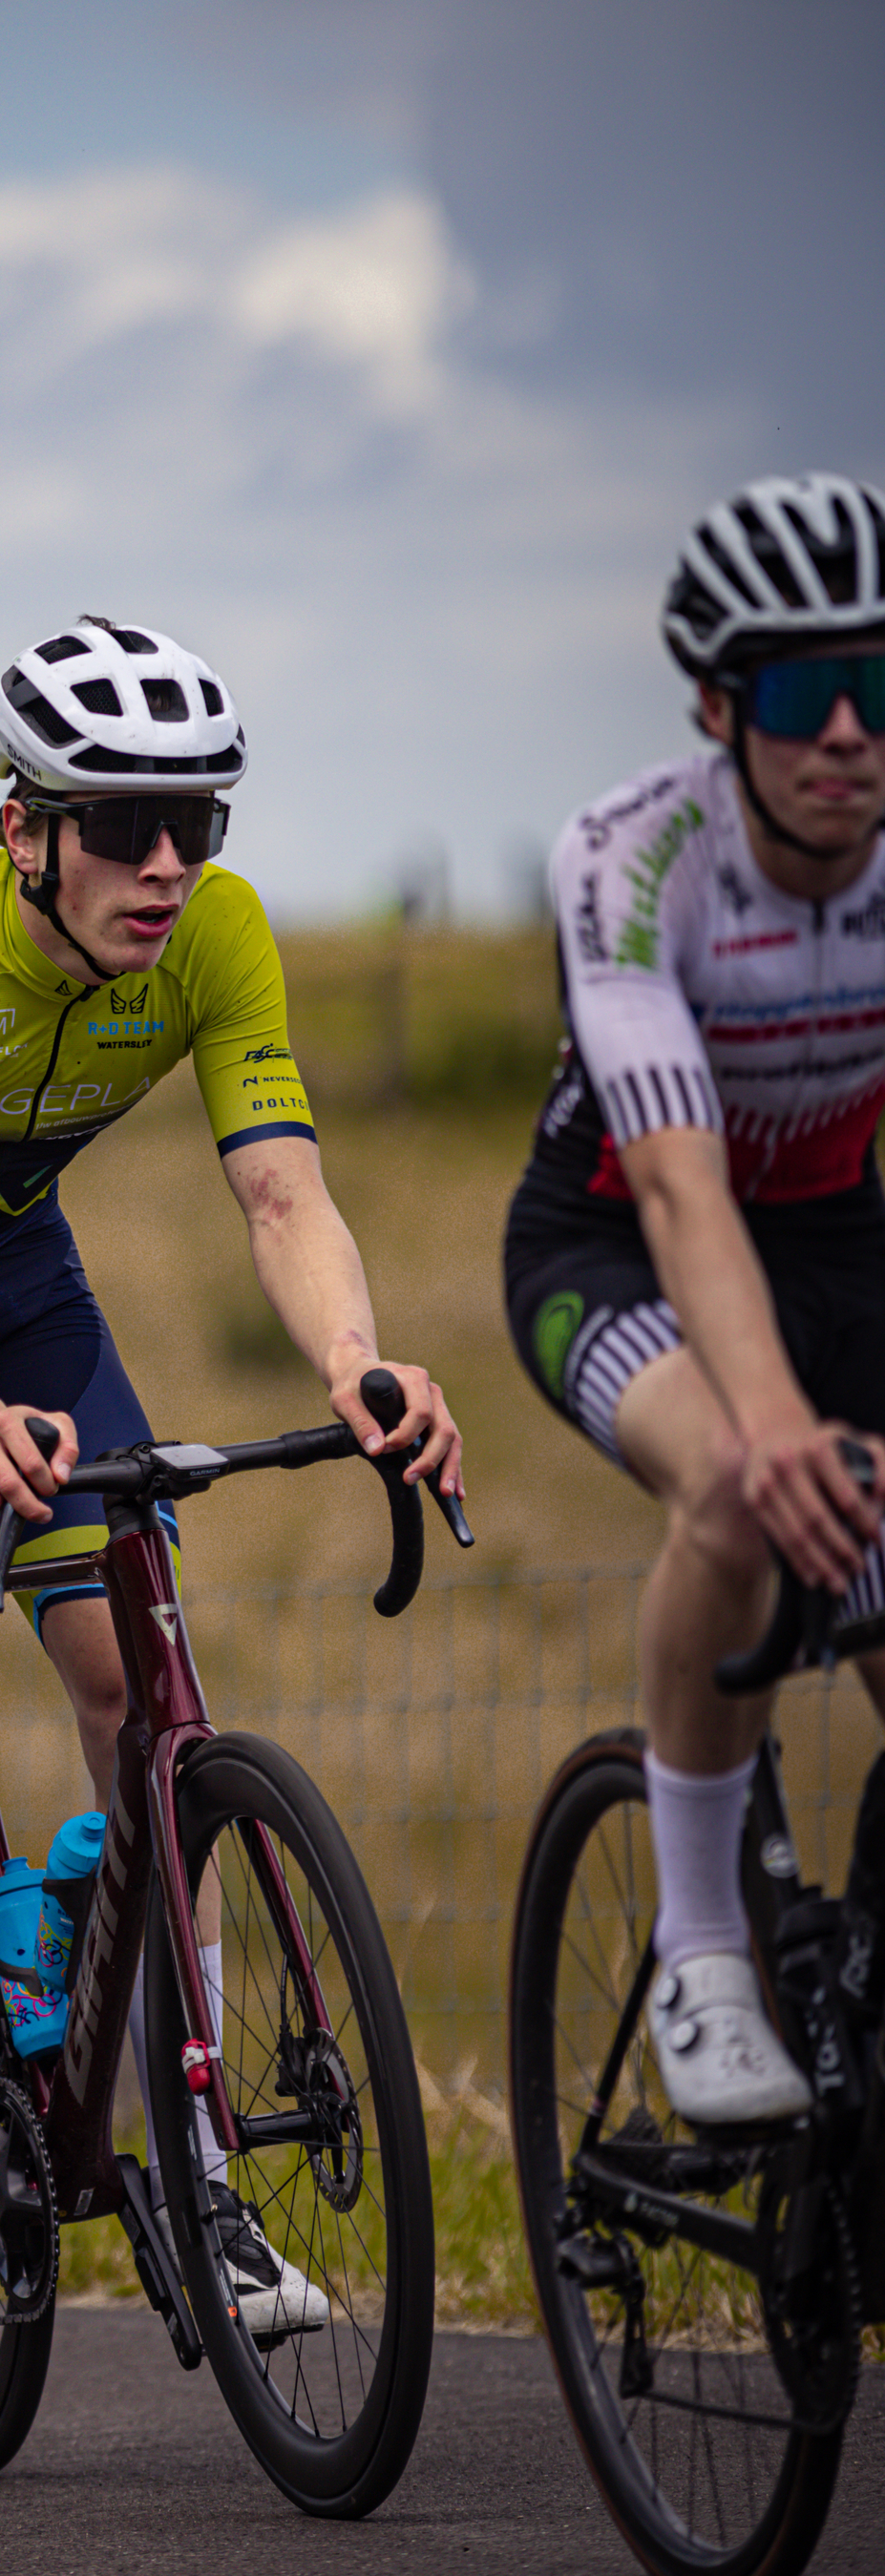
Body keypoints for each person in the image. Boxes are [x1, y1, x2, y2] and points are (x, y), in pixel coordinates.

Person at [0, 616, 463, 2329]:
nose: (167, 864)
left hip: (20, 1281)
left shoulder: (217, 935)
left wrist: (358, 1365)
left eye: (199, 822)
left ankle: (194, 2174)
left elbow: (283, 1195)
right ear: (21, 827)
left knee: (134, 1683)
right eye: (123, 825)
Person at [504, 470, 885, 2126]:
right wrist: (783, 1419)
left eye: (884, 683)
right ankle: (705, 1949)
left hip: (842, 1236)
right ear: (721, 710)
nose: (852, 735)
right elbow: (676, 1182)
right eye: (805, 695)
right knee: (739, 1488)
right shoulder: (633, 858)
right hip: (613, 1246)